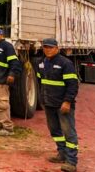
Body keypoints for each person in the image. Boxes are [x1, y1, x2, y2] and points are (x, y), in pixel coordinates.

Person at [37, 38, 79, 172]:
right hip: (49, 103)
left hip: (63, 105)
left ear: (57, 48)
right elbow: (41, 82)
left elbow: (73, 85)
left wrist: (67, 102)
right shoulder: (41, 63)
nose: (48, 50)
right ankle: (62, 154)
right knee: (55, 130)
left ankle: (71, 162)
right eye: (45, 47)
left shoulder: (65, 63)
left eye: (50, 47)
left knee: (68, 132)